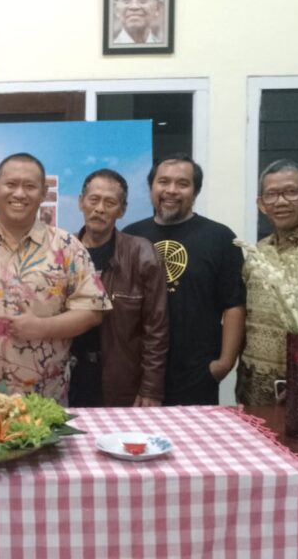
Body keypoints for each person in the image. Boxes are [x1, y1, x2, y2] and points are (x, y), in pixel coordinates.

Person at [0, 153, 111, 403]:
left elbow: (92, 312)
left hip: (45, 398)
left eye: (30, 186)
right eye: (11, 184)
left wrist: (41, 327)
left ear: (44, 193)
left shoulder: (68, 247)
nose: (19, 194)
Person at [123, 154, 245, 406]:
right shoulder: (131, 236)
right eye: (163, 182)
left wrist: (224, 364)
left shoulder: (221, 238)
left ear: (196, 191)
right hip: (139, 372)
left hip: (197, 373)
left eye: (182, 183)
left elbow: (234, 305)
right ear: (151, 187)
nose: (171, 190)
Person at [236, 159, 298, 406]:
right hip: (252, 387)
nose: (280, 202)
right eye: (271, 195)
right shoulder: (257, 253)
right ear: (261, 204)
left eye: (291, 192)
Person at [69, 168, 168, 407]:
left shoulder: (141, 253)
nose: (99, 209)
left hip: (121, 379)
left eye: (110, 202)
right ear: (81, 202)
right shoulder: (63, 251)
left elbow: (156, 328)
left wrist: (151, 388)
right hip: (68, 376)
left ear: (122, 210)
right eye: (93, 199)